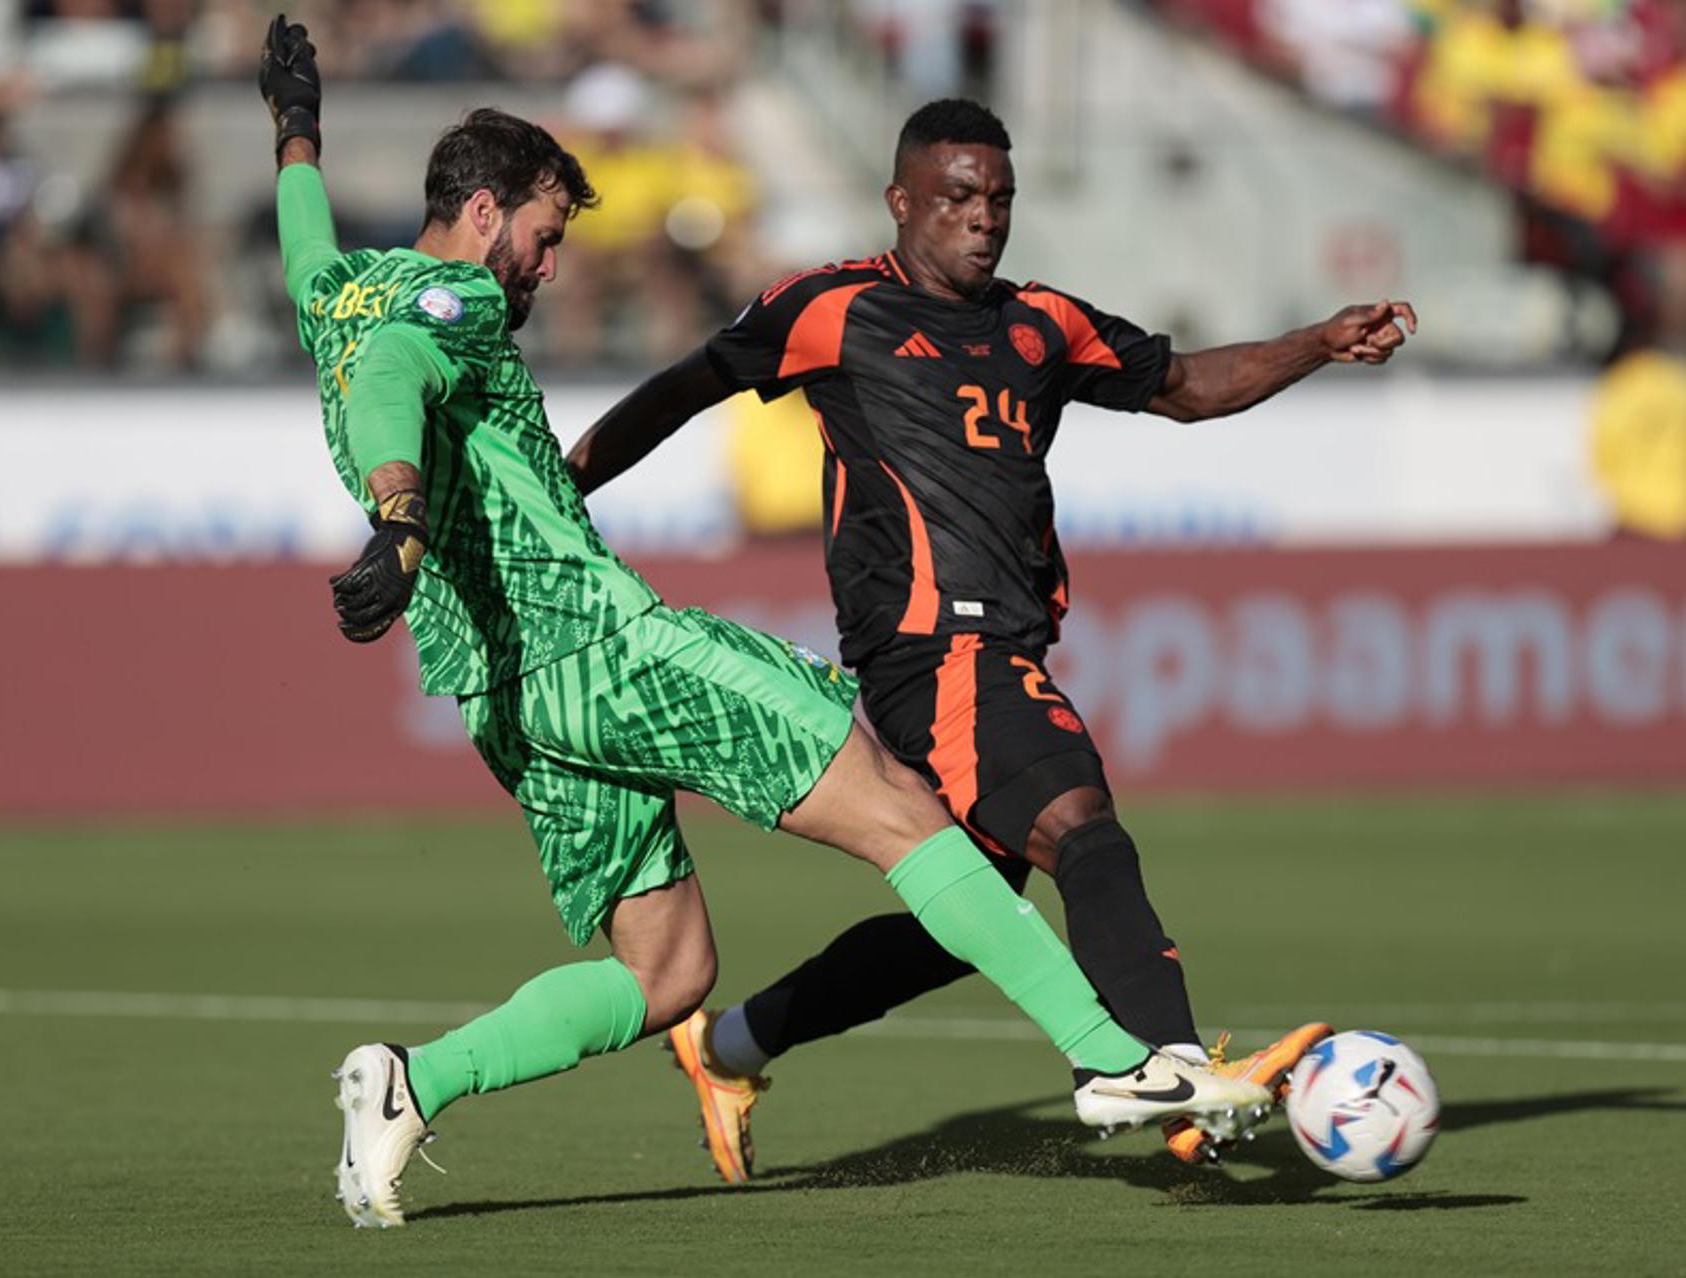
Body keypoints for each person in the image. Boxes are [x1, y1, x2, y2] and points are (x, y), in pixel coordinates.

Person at [256, 20, 1272, 1229]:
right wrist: (399, 511)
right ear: (481, 215)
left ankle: (412, 1084)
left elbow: (304, 237)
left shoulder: (333, 292)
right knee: (901, 804)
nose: (543, 269)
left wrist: (296, 131)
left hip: (511, 699)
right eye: (541, 238)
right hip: (608, 648)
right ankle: (1115, 1060)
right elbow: (396, 382)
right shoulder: (453, 292)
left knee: (669, 974)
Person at [568, 98, 1417, 1179]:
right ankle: (1169, 1070)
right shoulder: (831, 309)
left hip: (1004, 639)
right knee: (1085, 829)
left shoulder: (1042, 323)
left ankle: (731, 1043)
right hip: (935, 646)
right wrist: (561, 492)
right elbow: (681, 391)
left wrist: (1317, 341)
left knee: (962, 907)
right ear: (903, 201)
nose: (984, 219)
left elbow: (1188, 388)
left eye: (1000, 198)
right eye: (959, 197)